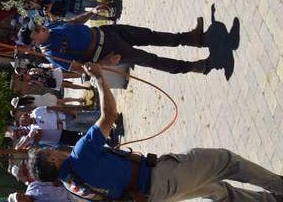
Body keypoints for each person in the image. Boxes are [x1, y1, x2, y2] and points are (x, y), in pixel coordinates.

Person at [28, 62, 283, 201]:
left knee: (215, 190)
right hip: (160, 178)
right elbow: (109, 117)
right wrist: (99, 80)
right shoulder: (80, 155)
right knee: (227, 162)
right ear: (50, 159)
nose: (55, 150)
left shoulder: (73, 191)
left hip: (155, 195)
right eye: (50, 151)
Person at [17, 18, 211, 74]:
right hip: (108, 51)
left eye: (37, 25)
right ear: (34, 41)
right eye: (36, 30)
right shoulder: (53, 55)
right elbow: (82, 69)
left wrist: (90, 13)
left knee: (149, 35)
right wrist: (105, 63)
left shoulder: (50, 26)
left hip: (105, 31)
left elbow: (73, 22)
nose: (40, 26)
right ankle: (192, 67)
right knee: (150, 59)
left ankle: (189, 38)